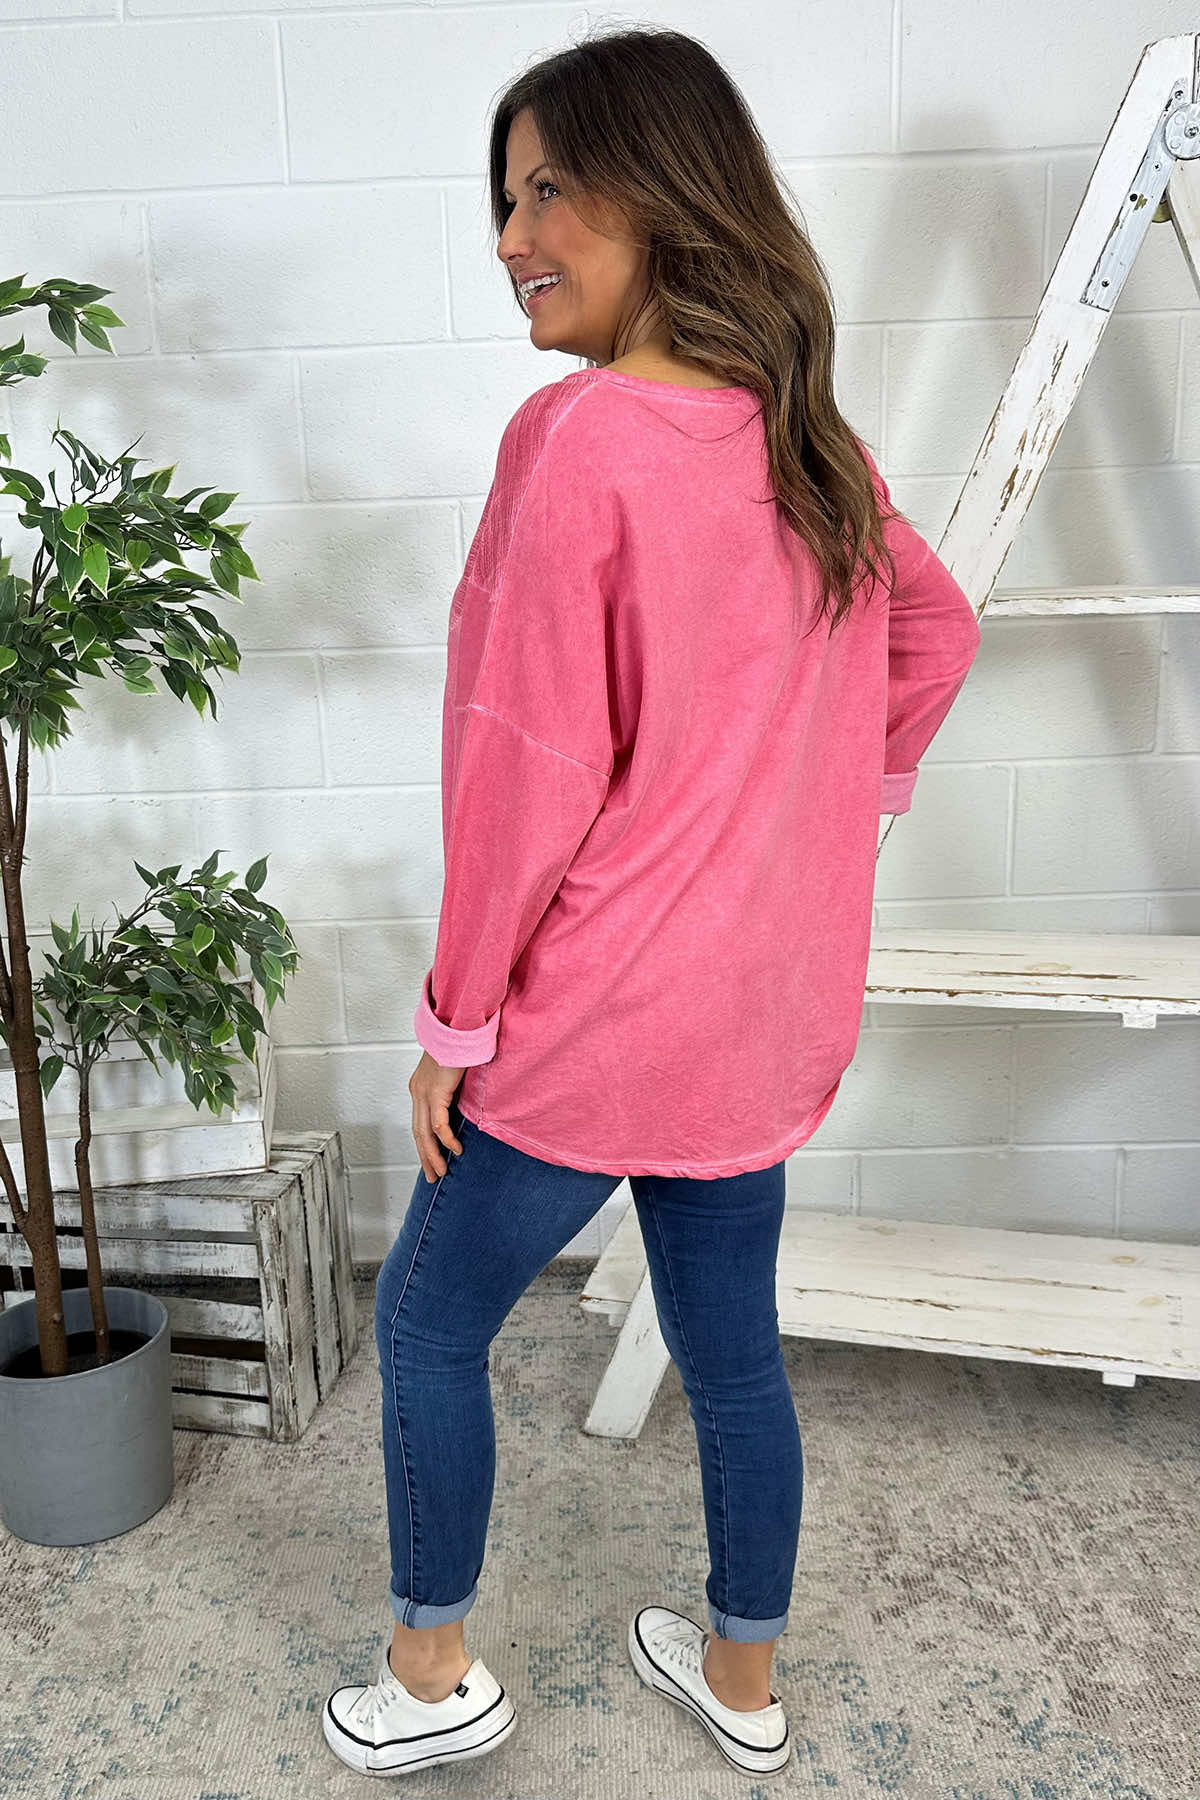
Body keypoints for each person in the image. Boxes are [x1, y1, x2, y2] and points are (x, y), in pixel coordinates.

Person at [322, 23, 981, 1782]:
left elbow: (518, 772)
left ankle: (430, 1671)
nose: (510, 234)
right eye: (505, 197)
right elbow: (939, 632)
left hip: (594, 1024)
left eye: (548, 189)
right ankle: (744, 1683)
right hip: (758, 1023)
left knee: (428, 1322)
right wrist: (826, 809)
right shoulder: (806, 435)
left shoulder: (580, 442)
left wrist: (456, 1024)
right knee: (732, 1353)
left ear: (662, 191)